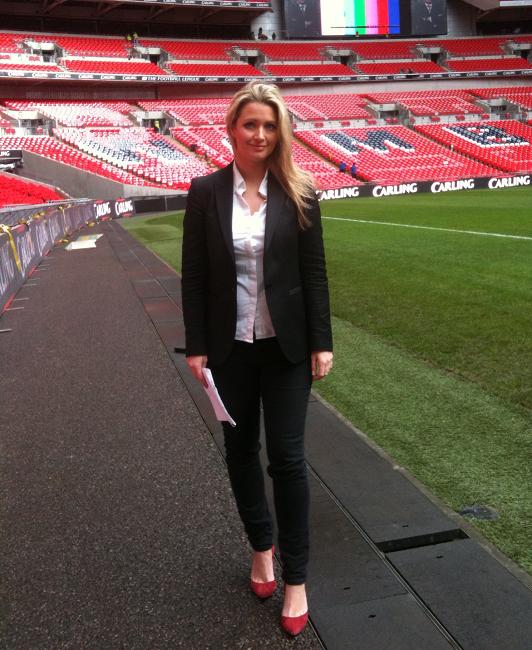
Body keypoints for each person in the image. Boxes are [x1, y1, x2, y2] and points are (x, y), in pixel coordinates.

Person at [181, 81, 333, 637]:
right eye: (251, 124)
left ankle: (296, 577)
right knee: (241, 451)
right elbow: (195, 276)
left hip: (287, 348)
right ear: (232, 128)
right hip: (228, 349)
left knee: (287, 459)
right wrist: (196, 347)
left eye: (271, 126)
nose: (261, 135)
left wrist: (322, 341)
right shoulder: (205, 192)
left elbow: (314, 273)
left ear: (281, 131)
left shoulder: (300, 191)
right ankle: (261, 547)